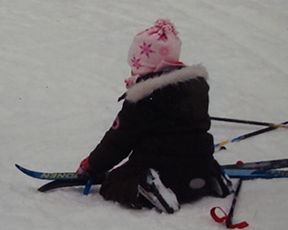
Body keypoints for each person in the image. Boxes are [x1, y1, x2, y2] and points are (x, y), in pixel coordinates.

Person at [76, 19, 231, 213]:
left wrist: (92, 165)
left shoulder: (142, 97)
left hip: (164, 171)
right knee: (194, 169)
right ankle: (213, 177)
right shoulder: (195, 88)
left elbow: (118, 141)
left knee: (114, 182)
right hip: (201, 164)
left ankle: (148, 191)